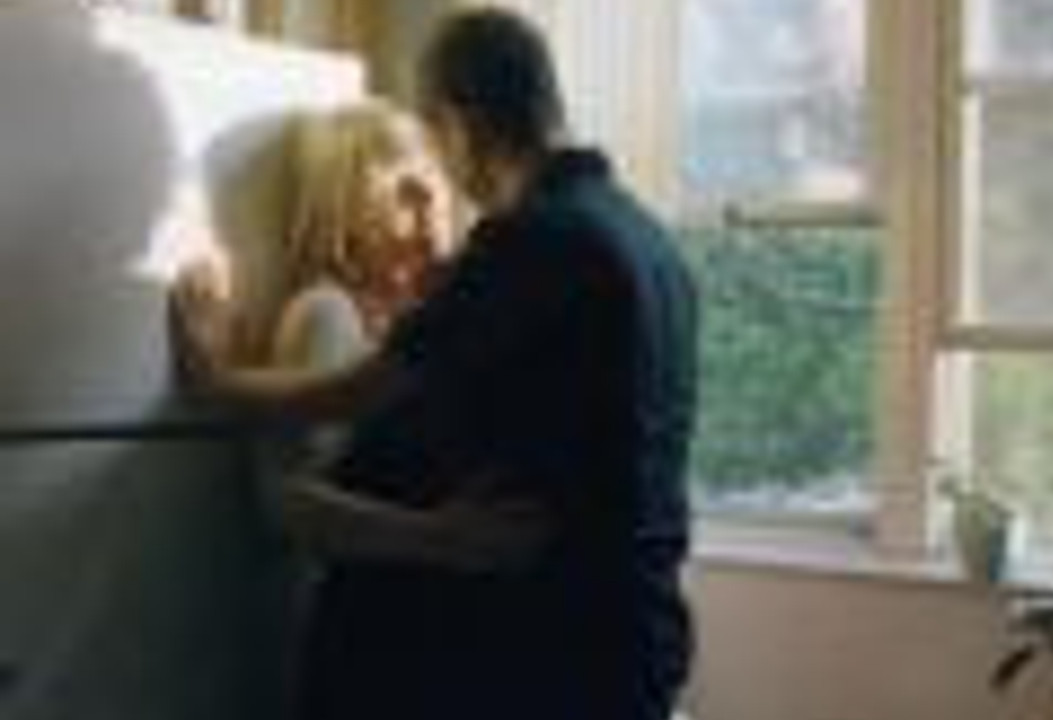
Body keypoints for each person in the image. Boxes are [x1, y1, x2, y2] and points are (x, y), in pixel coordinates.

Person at [171, 7, 698, 720]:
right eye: (406, 195)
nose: (442, 204)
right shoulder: (650, 240)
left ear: (456, 122)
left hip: (566, 648)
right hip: (637, 632)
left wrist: (216, 382)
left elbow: (362, 391)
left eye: (434, 172)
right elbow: (296, 492)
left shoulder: (533, 240)